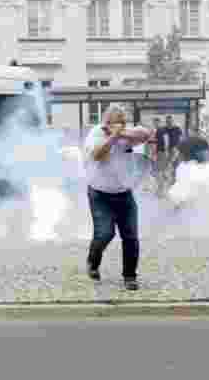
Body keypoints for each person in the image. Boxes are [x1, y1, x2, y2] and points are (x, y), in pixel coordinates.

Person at [84, 106, 153, 291]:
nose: (121, 124)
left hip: (123, 192)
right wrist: (113, 137)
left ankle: (130, 276)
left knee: (130, 236)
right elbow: (97, 155)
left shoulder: (126, 134)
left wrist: (121, 133)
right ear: (107, 121)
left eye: (123, 121)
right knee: (105, 233)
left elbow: (146, 134)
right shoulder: (96, 133)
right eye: (117, 121)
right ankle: (92, 262)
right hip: (100, 193)